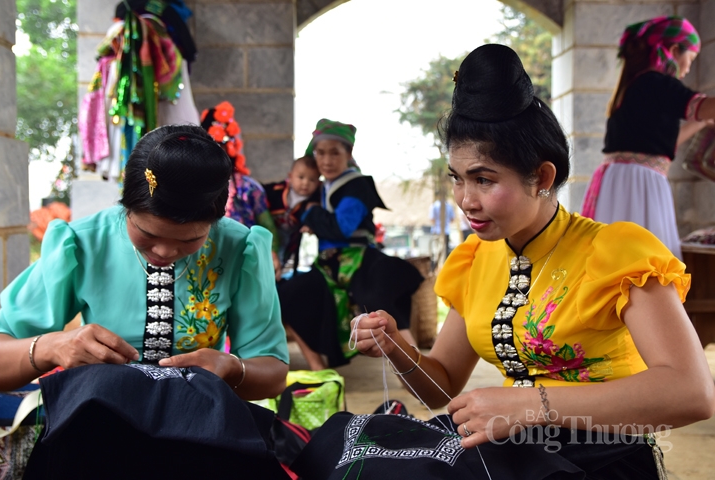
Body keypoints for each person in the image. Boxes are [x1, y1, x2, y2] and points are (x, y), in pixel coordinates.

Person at [353, 44, 714, 477]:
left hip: (601, 457)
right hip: (511, 452)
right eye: (456, 178)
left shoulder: (615, 254)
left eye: (484, 179)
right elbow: (442, 384)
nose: (466, 200)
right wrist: (398, 348)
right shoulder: (476, 259)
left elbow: (691, 392)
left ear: (542, 177)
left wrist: (529, 405)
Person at [0, 124, 289, 399]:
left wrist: (233, 368)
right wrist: (53, 346)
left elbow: (273, 374)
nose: (163, 252)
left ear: (216, 220)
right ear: (125, 208)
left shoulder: (239, 247)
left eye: (189, 241)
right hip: (99, 423)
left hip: (197, 423)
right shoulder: (82, 243)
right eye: (146, 234)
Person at [278, 119, 424, 371]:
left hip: (360, 260)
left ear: (349, 153)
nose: (327, 160)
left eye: (335, 152)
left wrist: (312, 213)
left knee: (380, 301)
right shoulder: (322, 187)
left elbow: (341, 228)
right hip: (328, 264)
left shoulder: (356, 185)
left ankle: (419, 371)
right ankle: (318, 368)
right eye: (321, 153)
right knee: (286, 295)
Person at [581, 16, 715, 259]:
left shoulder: (638, 85)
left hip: (622, 179)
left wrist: (703, 122)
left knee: (622, 259)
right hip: (639, 183)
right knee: (647, 260)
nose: (688, 68)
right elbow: (704, 106)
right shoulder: (656, 83)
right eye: (690, 59)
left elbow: (664, 145)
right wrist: (706, 114)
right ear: (674, 51)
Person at [200, 101, 282, 277]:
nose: (217, 153)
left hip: (244, 262)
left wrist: (272, 255)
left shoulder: (250, 188)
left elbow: (268, 228)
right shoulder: (192, 187)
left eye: (222, 146)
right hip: (202, 263)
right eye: (211, 146)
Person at [262, 155, 321, 277]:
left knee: (281, 262)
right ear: (290, 176)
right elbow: (259, 193)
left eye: (312, 180)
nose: (305, 183)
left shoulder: (315, 202)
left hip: (291, 239)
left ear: (319, 183)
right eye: (301, 177)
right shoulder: (276, 190)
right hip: (270, 231)